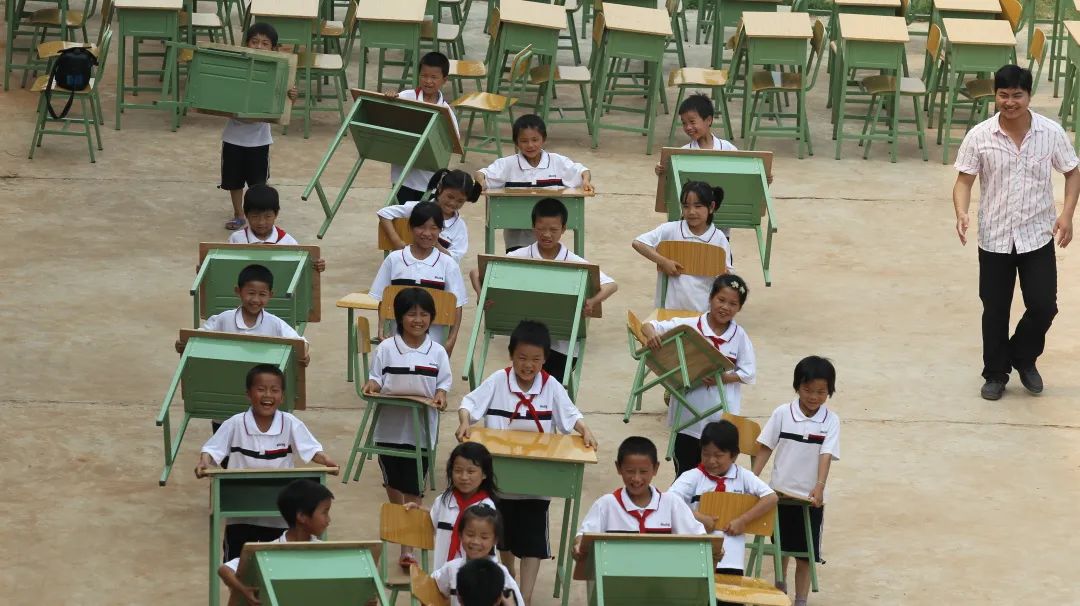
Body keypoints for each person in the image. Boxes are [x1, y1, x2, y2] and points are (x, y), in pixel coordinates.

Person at [952, 64, 1080, 400]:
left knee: (1044, 305)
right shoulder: (980, 135)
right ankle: (995, 374)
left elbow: (1072, 172)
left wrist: (1067, 215)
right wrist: (961, 212)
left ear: (1029, 96)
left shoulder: (1050, 133)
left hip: (1037, 235)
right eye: (1003, 95)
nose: (1010, 102)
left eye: (1017, 95)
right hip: (994, 237)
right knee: (995, 309)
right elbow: (964, 181)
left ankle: (1022, 356)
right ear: (995, 95)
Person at [455, 320, 598, 604]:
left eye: (535, 359)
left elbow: (571, 415)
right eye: (522, 358)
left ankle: (526, 597)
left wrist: (585, 430)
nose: (528, 365)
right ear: (511, 355)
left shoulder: (551, 386)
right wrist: (464, 421)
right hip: (501, 479)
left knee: (533, 540)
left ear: (545, 359)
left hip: (537, 481)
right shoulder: (498, 380)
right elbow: (469, 403)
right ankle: (509, 576)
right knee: (504, 536)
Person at [195, 365, 337, 560]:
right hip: (240, 514)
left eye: (274, 390)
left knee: (277, 564)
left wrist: (326, 460)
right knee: (237, 564)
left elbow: (311, 449)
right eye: (261, 389)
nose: (267, 395)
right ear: (248, 394)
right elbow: (212, 450)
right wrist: (204, 462)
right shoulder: (235, 423)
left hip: (278, 517)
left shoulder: (290, 423)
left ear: (282, 396)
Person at [469, 198, 617, 385]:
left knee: (549, 389)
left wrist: (592, 301)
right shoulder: (520, 256)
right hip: (528, 342)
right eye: (541, 229)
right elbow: (476, 272)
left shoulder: (574, 261)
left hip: (563, 346)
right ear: (533, 227)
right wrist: (481, 295)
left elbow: (611, 285)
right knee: (524, 386)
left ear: (563, 229)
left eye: (554, 230)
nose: (547, 235)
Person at [364, 287, 453, 564]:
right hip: (389, 428)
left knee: (414, 487)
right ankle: (400, 518)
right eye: (411, 314)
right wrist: (372, 385)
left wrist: (441, 396)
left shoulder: (437, 352)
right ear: (399, 317)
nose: (418, 320)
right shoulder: (386, 348)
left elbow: (443, 384)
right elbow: (376, 378)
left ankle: (408, 549)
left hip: (421, 433)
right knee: (393, 482)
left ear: (432, 318)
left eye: (424, 314)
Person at [641, 275, 755, 474]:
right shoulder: (689, 326)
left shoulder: (740, 336)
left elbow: (748, 373)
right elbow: (648, 325)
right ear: (710, 298)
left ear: (739, 308)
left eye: (733, 304)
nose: (725, 307)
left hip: (720, 420)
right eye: (721, 300)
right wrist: (651, 335)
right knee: (685, 472)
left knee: (716, 475)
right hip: (687, 418)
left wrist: (722, 378)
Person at [753, 356, 840, 606]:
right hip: (779, 494)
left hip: (810, 499)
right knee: (780, 548)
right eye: (807, 390)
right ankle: (780, 590)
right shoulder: (782, 413)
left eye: (821, 392)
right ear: (797, 387)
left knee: (805, 555)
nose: (813, 397)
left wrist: (819, 487)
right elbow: (766, 446)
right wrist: (751, 479)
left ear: (829, 391)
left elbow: (826, 455)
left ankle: (801, 600)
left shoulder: (831, 421)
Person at [668, 421, 777, 582]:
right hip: (697, 556)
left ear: (733, 455)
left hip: (732, 560)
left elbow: (771, 497)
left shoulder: (743, 476)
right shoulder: (693, 476)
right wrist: (698, 518)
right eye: (706, 454)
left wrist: (743, 520)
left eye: (718, 455)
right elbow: (669, 501)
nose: (711, 460)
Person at [574, 436, 705, 561]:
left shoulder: (672, 504)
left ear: (655, 468)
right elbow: (583, 537)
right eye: (630, 471)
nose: (636, 478)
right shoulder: (606, 504)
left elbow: (699, 538)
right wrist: (579, 546)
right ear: (618, 468)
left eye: (643, 472)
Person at [474, 114, 594, 251]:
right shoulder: (508, 164)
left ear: (544, 139)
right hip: (517, 241)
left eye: (535, 140)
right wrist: (481, 182)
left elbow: (582, 171)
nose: (530, 145)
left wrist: (586, 181)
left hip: (548, 239)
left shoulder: (557, 161)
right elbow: (481, 174)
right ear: (516, 142)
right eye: (524, 141)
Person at [221, 23, 298, 231]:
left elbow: (285, 103)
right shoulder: (236, 68)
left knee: (257, 182)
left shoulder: (279, 72)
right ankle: (239, 214)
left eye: (265, 43)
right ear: (246, 43)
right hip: (233, 137)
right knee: (233, 180)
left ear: (274, 48)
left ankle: (259, 216)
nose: (259, 46)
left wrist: (292, 96)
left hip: (259, 140)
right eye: (254, 41)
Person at [369, 202, 468, 353]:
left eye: (433, 228)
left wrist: (451, 340)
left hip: (433, 342)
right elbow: (384, 298)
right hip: (397, 339)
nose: (427, 233)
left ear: (440, 230)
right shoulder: (394, 259)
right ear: (410, 227)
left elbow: (457, 305)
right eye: (421, 227)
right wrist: (381, 328)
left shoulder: (448, 264)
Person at [218, 479, 333, 606]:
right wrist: (243, 590)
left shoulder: (324, 551)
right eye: (325, 512)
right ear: (302, 516)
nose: (328, 520)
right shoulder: (269, 551)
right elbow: (225, 570)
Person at [176, 264, 309, 365]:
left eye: (262, 294)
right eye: (251, 293)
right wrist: (184, 344)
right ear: (238, 291)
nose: (256, 300)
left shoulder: (275, 323)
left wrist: (304, 355)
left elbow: (301, 343)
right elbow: (198, 338)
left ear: (270, 295)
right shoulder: (224, 318)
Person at [632, 181, 733, 312]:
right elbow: (638, 243)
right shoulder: (671, 229)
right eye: (686, 206)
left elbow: (729, 277)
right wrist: (663, 261)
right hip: (668, 312)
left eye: (698, 206)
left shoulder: (719, 238)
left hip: (703, 313)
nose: (691, 212)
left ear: (711, 207)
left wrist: (724, 274)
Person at [408, 442, 500, 570]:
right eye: (458, 471)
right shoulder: (443, 500)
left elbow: (487, 548)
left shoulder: (487, 508)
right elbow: (434, 522)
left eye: (471, 471)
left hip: (473, 575)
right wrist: (418, 511)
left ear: (484, 474)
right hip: (441, 574)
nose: (464, 477)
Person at [387, 52, 460, 204]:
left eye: (434, 77)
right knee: (400, 215)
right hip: (402, 176)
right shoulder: (406, 97)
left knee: (424, 217)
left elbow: (452, 144)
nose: (428, 81)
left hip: (428, 181)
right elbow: (389, 116)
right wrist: (389, 99)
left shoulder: (446, 112)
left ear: (444, 80)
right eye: (424, 76)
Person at [378, 169, 482, 262]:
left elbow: (454, 259)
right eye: (450, 197)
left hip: (437, 274)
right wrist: (396, 241)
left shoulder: (459, 227)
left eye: (460, 201)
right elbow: (384, 213)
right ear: (440, 188)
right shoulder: (419, 208)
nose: (453, 203)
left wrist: (436, 245)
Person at [431, 505, 525, 606]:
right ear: (460, 535)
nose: (476, 541)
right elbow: (431, 584)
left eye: (484, 537)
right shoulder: (451, 568)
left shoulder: (501, 574)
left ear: (495, 540)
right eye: (470, 534)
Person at [228, 184, 326, 272]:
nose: (261, 222)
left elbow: (300, 270)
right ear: (246, 214)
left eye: (267, 216)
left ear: (276, 214)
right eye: (255, 216)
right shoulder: (236, 239)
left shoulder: (288, 242)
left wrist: (316, 266)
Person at [654, 94, 737, 177]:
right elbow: (672, 178)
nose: (688, 127)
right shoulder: (683, 153)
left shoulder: (727, 148)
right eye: (684, 123)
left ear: (708, 120)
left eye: (692, 122)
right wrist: (661, 169)